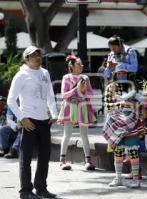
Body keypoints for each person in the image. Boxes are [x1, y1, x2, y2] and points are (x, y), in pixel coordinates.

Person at [7, 46, 58, 199]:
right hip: (28, 120)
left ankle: (41, 188)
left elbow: (50, 95)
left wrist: (54, 113)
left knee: (44, 157)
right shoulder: (21, 75)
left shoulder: (45, 73)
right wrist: (22, 118)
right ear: (26, 59)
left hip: (44, 120)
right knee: (26, 158)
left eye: (38, 54)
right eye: (33, 55)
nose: (37, 57)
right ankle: (25, 191)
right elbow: (11, 100)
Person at [102, 63, 144, 188]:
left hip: (132, 122)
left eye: (124, 73)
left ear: (127, 74)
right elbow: (108, 105)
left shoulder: (133, 87)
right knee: (118, 151)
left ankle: (136, 179)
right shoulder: (110, 87)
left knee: (133, 152)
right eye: (119, 73)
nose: (122, 75)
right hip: (116, 123)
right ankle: (118, 178)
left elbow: (140, 105)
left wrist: (135, 105)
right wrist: (124, 104)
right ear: (115, 74)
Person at [57, 54, 96, 171]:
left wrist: (83, 91)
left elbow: (90, 94)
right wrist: (76, 89)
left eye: (81, 64)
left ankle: (88, 160)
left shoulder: (85, 78)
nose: (82, 65)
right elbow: (64, 95)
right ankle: (62, 160)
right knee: (67, 134)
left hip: (83, 106)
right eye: (79, 64)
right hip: (70, 106)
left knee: (84, 134)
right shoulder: (66, 77)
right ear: (72, 66)